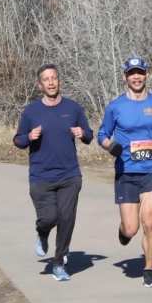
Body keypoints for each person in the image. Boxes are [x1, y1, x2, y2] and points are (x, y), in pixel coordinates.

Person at [97, 56, 152, 288]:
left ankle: (149, 269)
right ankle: (124, 232)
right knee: (132, 228)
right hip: (126, 172)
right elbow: (102, 135)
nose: (136, 77)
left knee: (149, 222)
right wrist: (111, 146)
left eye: (140, 72)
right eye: (131, 73)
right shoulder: (115, 106)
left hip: (150, 171)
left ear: (146, 74)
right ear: (125, 77)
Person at [13, 64, 93, 281]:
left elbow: (89, 135)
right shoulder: (31, 111)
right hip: (41, 177)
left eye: (54, 78)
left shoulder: (73, 108)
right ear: (40, 85)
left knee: (67, 218)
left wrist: (81, 133)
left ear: (59, 81)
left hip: (69, 175)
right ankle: (42, 232)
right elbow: (18, 140)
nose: (51, 82)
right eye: (46, 79)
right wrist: (28, 137)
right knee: (49, 218)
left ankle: (59, 262)